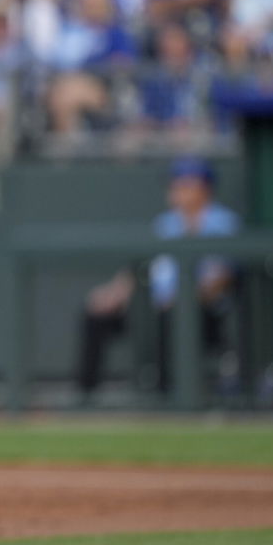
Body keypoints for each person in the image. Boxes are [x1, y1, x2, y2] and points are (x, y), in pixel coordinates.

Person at [76, 157, 239, 399]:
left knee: (171, 314)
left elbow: (223, 278)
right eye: (174, 185)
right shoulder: (166, 223)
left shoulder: (223, 222)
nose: (174, 191)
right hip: (152, 307)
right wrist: (115, 293)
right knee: (96, 313)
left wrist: (186, 298)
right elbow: (143, 267)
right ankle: (85, 394)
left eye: (182, 185)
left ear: (203, 188)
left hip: (203, 311)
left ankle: (168, 395)